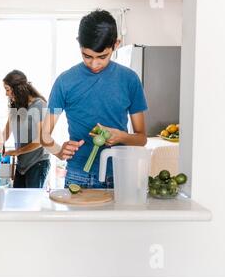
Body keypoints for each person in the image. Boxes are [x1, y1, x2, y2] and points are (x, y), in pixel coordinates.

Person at [41, 10, 148, 189]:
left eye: (102, 57)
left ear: (116, 44)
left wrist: (121, 136)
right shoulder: (64, 82)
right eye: (87, 56)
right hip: (78, 175)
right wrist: (59, 151)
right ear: (79, 44)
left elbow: (142, 138)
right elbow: (44, 135)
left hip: (118, 174)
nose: (94, 64)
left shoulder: (130, 80)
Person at [2, 70, 50, 188]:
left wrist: (16, 152)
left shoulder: (39, 105)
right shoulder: (16, 105)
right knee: (17, 203)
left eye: (7, 89)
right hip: (22, 163)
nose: (6, 94)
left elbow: (40, 140)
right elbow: (6, 132)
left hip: (37, 163)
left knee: (32, 204)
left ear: (17, 89)